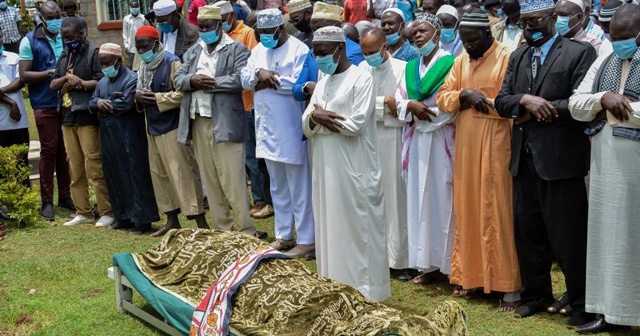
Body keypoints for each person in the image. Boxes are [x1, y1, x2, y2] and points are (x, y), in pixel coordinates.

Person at [494, 0, 597, 326]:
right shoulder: (519, 55)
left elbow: (580, 103)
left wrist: (541, 107)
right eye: (524, 23)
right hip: (523, 160)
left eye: (536, 21)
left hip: (560, 160)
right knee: (529, 234)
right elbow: (501, 100)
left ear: (553, 17)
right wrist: (525, 101)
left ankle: (581, 305)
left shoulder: (579, 53)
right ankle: (536, 295)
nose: (529, 28)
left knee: (569, 238)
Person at [436, 10, 521, 310]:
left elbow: (515, 100)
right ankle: (471, 277)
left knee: (497, 209)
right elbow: (443, 97)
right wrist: (462, 96)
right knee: (468, 206)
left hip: (497, 142)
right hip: (467, 146)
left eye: (473, 40)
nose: (468, 46)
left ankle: (507, 284)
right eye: (464, 40)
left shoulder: (508, 56)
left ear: (488, 35)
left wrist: (481, 100)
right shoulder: (460, 60)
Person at [302, 26, 390, 302]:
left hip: (354, 167)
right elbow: (307, 122)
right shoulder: (323, 78)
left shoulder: (361, 78)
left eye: (324, 53)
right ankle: (334, 286)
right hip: (326, 165)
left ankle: (364, 292)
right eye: (316, 54)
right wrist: (317, 119)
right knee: (330, 225)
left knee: (356, 229)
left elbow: (357, 124)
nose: (319, 58)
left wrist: (323, 119)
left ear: (339, 49)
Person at [568, 4, 640, 333]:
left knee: (631, 236)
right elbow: (575, 103)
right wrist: (602, 99)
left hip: (633, 165)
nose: (618, 42)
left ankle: (631, 313)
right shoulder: (605, 59)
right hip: (602, 160)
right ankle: (607, 311)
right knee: (604, 236)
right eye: (613, 36)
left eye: (625, 38)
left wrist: (611, 108)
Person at [174, 5, 265, 239]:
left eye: (208, 27)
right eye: (201, 27)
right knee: (211, 178)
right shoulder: (195, 50)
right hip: (199, 120)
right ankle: (223, 229)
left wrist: (212, 83)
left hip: (225, 120)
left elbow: (240, 79)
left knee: (233, 179)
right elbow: (178, 78)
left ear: (220, 25)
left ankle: (247, 230)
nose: (204, 31)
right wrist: (193, 80)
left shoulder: (236, 49)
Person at [241, 9, 315, 258]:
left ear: (281, 29)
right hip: (266, 129)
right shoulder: (259, 49)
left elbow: (297, 85)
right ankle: (284, 235)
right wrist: (259, 75)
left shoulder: (298, 50)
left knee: (299, 187)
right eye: (261, 33)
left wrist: (266, 81)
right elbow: (244, 78)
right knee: (278, 187)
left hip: (291, 128)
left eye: (269, 33)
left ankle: (306, 239)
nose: (265, 38)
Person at [397, 12, 456, 285]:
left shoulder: (450, 63)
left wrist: (426, 116)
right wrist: (410, 108)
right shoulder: (410, 68)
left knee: (443, 201)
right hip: (417, 139)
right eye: (414, 33)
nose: (417, 36)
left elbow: (451, 104)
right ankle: (426, 265)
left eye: (422, 31)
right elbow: (399, 100)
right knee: (418, 203)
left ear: (437, 32)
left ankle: (447, 265)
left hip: (441, 138)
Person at [133, 26, 208, 237]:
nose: (141, 51)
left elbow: (184, 93)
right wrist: (138, 99)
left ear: (156, 44)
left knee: (183, 173)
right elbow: (139, 92)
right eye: (138, 47)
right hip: (153, 127)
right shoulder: (143, 66)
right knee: (160, 174)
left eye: (145, 46)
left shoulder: (172, 62)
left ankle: (200, 223)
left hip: (173, 126)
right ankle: (172, 220)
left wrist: (156, 99)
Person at [89, 43, 159, 235]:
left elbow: (126, 103)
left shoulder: (131, 78)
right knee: (114, 174)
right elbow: (92, 102)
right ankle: (123, 217)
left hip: (129, 136)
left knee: (134, 175)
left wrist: (104, 105)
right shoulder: (103, 82)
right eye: (101, 64)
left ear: (118, 61)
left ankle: (142, 220)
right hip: (109, 136)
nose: (105, 68)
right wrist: (98, 103)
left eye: (107, 63)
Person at [50, 17, 114, 228]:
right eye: (63, 37)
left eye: (70, 37)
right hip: (67, 118)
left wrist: (81, 84)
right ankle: (83, 211)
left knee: (94, 164)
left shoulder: (93, 53)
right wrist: (67, 80)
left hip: (87, 117)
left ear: (81, 34)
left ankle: (106, 211)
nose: (67, 41)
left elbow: (101, 80)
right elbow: (53, 84)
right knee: (74, 167)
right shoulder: (65, 54)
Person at [358, 27, 410, 281]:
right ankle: (376, 255)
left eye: (373, 52)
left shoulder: (402, 69)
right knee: (370, 197)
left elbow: (400, 110)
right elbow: (359, 107)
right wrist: (383, 104)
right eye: (364, 52)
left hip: (393, 140)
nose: (369, 57)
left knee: (395, 199)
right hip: (368, 140)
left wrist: (387, 106)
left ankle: (399, 259)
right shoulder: (361, 71)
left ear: (385, 47)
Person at [214, 1, 273, 219]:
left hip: (251, 104)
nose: (220, 26)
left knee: (258, 156)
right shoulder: (222, 37)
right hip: (233, 105)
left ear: (230, 17)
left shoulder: (247, 33)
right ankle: (257, 199)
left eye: (221, 22)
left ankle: (264, 200)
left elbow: (249, 69)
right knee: (247, 156)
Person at [19, 0, 73, 220]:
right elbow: (24, 75)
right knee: (49, 151)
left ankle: (66, 196)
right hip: (44, 103)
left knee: (65, 151)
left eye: (57, 16)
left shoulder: (66, 35)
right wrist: (51, 73)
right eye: (50, 18)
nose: (55, 21)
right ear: (41, 18)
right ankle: (47, 201)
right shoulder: (29, 41)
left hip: (68, 102)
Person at [292, 2, 365, 102]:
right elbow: (296, 91)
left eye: (322, 28)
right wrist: (307, 86)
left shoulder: (355, 52)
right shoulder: (312, 54)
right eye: (314, 29)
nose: (318, 33)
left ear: (338, 26)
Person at [0, 30, 28, 184]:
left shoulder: (14, 57)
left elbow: (21, 81)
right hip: (1, 122)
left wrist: (2, 91)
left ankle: (24, 203)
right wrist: (11, 102)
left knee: (21, 165)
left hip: (18, 122)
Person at [123, 0, 146, 69]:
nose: (135, 8)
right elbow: (125, 33)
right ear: (130, 7)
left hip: (142, 47)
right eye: (133, 7)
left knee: (142, 67)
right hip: (131, 48)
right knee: (132, 68)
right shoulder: (126, 19)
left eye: (136, 6)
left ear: (139, 7)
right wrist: (126, 46)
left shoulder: (143, 18)